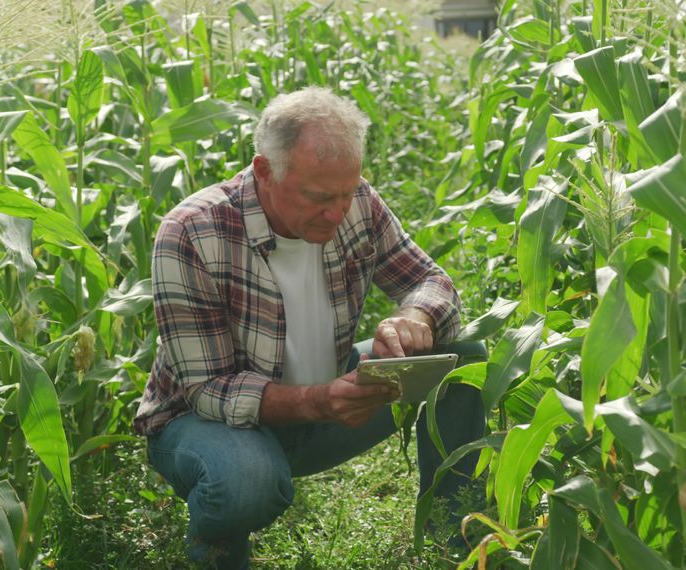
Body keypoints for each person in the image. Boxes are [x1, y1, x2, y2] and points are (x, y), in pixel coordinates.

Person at [133, 86, 486, 568]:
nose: (338, 213)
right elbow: (208, 390)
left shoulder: (354, 200)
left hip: (323, 399)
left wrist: (412, 318)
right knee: (245, 481)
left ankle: (459, 540)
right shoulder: (194, 232)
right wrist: (319, 400)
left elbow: (430, 280)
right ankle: (218, 547)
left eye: (346, 193)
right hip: (205, 423)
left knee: (463, 362)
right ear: (265, 171)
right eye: (320, 198)